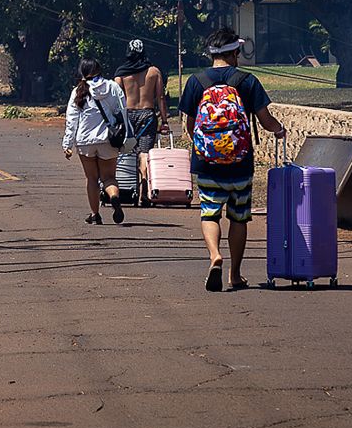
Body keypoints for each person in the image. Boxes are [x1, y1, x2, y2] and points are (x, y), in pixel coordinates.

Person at [178, 27, 286, 292]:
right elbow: (265, 119)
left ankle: (215, 255)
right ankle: (235, 275)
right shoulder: (246, 81)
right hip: (240, 162)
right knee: (238, 217)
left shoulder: (196, 81)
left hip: (207, 163)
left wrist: (205, 146)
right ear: (235, 53)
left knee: (210, 213)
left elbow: (190, 124)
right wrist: (279, 130)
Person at [62, 58, 132, 225]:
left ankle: (95, 214)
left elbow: (72, 120)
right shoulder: (113, 87)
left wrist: (67, 144)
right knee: (109, 177)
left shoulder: (78, 91)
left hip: (85, 141)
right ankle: (114, 196)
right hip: (108, 139)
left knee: (92, 179)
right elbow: (122, 111)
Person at [114, 39, 170, 201]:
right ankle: (144, 187)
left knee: (127, 152)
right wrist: (164, 121)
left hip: (128, 116)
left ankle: (127, 186)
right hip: (147, 115)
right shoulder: (154, 72)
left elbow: (117, 98)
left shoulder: (121, 73)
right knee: (144, 153)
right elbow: (160, 98)